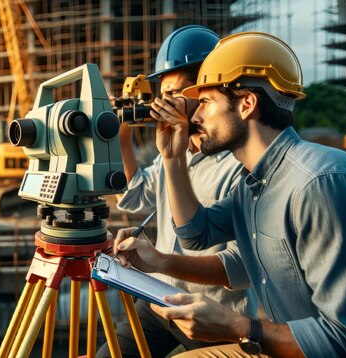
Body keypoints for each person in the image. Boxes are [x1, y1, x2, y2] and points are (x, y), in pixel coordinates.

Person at [114, 32, 346, 357]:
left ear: (247, 104)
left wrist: (238, 326)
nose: (196, 116)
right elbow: (195, 233)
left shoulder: (322, 185)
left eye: (205, 102)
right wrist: (173, 159)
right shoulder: (254, 185)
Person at [97, 25, 256, 358]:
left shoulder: (238, 165)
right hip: (161, 298)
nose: (167, 101)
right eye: (164, 92)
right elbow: (134, 195)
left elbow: (237, 268)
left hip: (210, 311)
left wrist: (161, 260)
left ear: (210, 91)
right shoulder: (174, 152)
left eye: (180, 91)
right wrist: (123, 138)